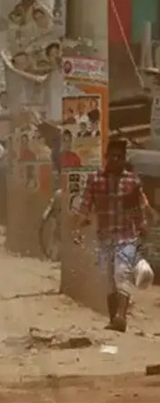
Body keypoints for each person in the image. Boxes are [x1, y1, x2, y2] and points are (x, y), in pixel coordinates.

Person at [73, 139, 148, 333]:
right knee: (108, 280)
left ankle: (120, 317)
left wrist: (142, 227)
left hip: (126, 236)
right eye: (113, 156)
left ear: (124, 159)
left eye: (120, 157)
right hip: (104, 237)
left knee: (122, 273)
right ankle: (114, 319)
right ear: (106, 157)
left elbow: (139, 208)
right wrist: (79, 225)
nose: (116, 160)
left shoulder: (132, 181)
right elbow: (85, 205)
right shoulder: (95, 180)